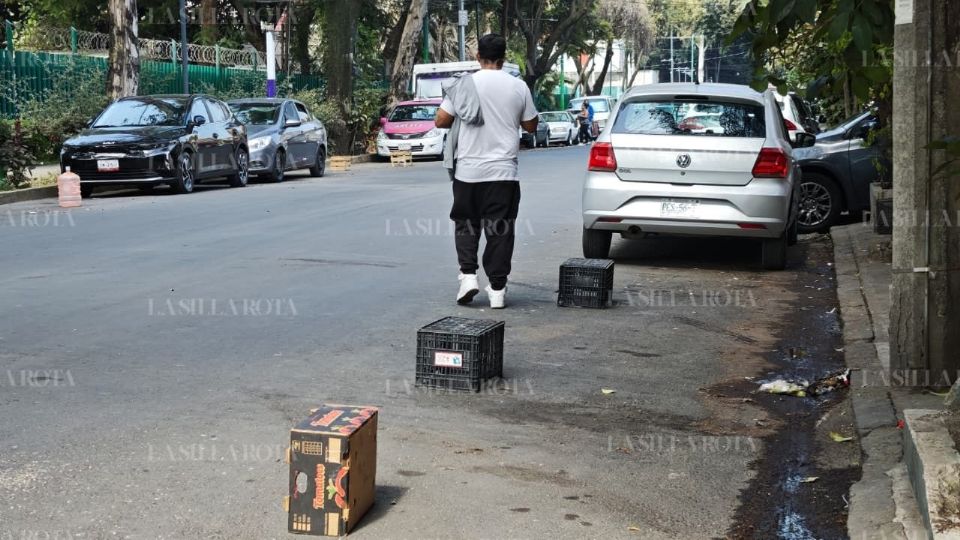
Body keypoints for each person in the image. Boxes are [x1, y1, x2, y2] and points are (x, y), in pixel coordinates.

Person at [435, 33, 538, 309]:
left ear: (477, 56)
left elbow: (441, 121)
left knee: (466, 224)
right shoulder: (518, 87)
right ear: (504, 58)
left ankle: (468, 276)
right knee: (500, 231)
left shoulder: (464, 84)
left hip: (468, 172)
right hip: (503, 174)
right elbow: (531, 126)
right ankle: (497, 290)